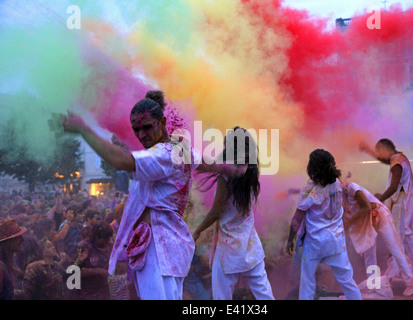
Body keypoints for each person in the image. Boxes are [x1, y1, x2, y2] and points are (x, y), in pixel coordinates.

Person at [59, 90, 246, 300]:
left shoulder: (162, 155)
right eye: (136, 129)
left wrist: (83, 129)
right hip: (172, 249)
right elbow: (202, 162)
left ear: (162, 122)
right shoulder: (180, 150)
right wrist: (229, 169)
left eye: (147, 127)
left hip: (157, 249)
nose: (141, 135)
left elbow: (122, 162)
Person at [193, 127, 274, 300]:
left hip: (228, 247)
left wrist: (198, 230)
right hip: (250, 244)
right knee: (264, 293)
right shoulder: (252, 173)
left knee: (222, 296)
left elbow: (216, 212)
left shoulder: (227, 177)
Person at [286, 149, 362, 300]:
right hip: (336, 242)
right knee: (347, 281)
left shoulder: (309, 190)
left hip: (315, 244)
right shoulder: (337, 184)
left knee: (307, 284)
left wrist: (290, 240)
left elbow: (296, 220)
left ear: (312, 169)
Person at [342, 181, 413, 296]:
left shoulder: (351, 187)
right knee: (369, 256)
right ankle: (374, 285)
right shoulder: (339, 201)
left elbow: (366, 207)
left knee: (395, 249)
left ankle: (410, 282)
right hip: (366, 223)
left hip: (380, 215)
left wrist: (349, 224)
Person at [359, 139, 413, 268]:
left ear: (386, 149)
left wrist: (380, 199)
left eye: (380, 152)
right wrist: (369, 151)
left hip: (403, 199)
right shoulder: (400, 157)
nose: (380, 155)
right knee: (404, 230)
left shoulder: (397, 164)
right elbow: (385, 160)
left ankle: (406, 264)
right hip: (404, 197)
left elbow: (393, 187)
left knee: (402, 232)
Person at [73, 221, 113, 300]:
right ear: (96, 236)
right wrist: (98, 271)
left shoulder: (109, 246)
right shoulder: (83, 247)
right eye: (105, 238)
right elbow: (74, 272)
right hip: (87, 293)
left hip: (105, 292)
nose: (107, 241)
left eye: (108, 238)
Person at [0, 219, 26, 300]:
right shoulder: (1, 268)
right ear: (7, 242)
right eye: (17, 237)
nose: (22, 239)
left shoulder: (7, 263)